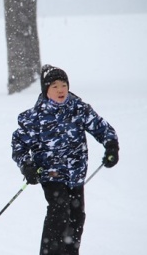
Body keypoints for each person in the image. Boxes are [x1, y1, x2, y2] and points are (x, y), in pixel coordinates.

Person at [12, 65, 119, 255]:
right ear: (46, 90)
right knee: (59, 211)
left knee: (76, 217)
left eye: (64, 85)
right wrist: (26, 165)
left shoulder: (78, 109)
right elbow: (19, 144)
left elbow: (101, 128)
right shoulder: (35, 117)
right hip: (51, 174)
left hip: (76, 174)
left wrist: (111, 146)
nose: (60, 89)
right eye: (54, 86)